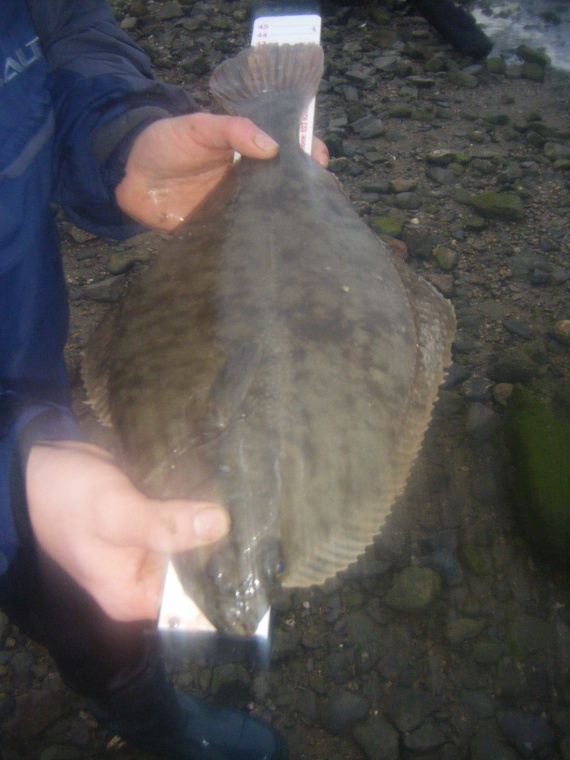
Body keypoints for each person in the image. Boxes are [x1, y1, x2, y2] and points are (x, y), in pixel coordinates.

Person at [0, 2, 327, 758]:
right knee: (75, 558)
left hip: (26, 359)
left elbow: (65, 34)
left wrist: (125, 139)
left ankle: (151, 719)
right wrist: (10, 490)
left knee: (91, 588)